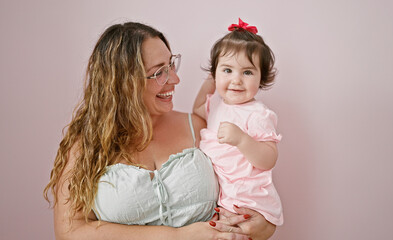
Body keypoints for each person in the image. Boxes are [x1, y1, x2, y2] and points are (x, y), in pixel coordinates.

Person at [43, 22, 276, 240]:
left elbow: (248, 185)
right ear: (125, 82)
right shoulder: (88, 144)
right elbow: (69, 231)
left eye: (171, 65)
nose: (175, 79)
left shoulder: (200, 127)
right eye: (158, 72)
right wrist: (178, 236)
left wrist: (262, 225)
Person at [193, 18, 284, 226]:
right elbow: (197, 107)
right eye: (227, 70)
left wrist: (242, 140)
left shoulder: (257, 114)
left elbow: (269, 158)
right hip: (221, 196)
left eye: (247, 72)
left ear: (261, 78)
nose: (236, 80)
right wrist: (211, 81)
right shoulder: (216, 106)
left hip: (248, 197)